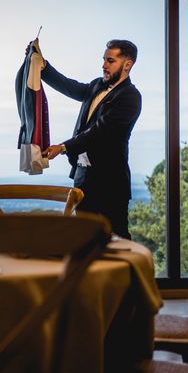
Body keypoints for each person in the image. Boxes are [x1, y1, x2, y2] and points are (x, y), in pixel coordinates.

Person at [40, 39, 141, 239]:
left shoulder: (130, 97)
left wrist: (62, 147)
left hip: (110, 185)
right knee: (84, 241)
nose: (104, 65)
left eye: (110, 61)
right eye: (104, 59)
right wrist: (43, 67)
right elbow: (69, 86)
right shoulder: (96, 85)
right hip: (83, 179)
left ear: (127, 64)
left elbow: (100, 131)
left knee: (115, 241)